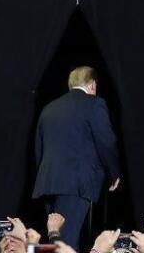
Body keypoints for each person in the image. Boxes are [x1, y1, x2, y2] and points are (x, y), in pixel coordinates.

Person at [33, 66, 121, 249]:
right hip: (77, 184)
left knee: (56, 237)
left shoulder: (49, 108)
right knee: (65, 244)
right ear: (92, 85)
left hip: (48, 183)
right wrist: (114, 173)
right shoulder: (94, 104)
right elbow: (106, 142)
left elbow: (39, 150)